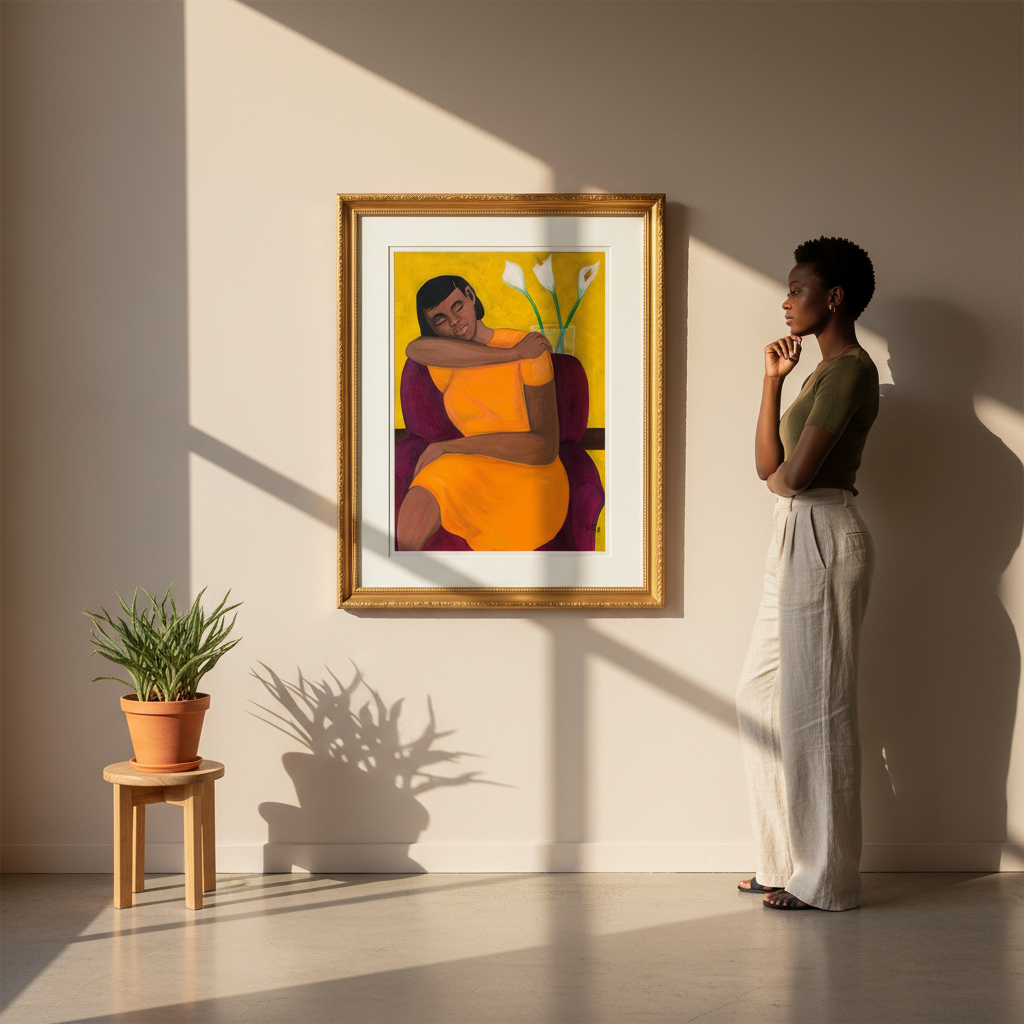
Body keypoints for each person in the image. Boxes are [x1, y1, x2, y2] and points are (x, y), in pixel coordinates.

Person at [736, 237, 879, 911]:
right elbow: (767, 467)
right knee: (759, 698)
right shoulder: (816, 373)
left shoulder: (851, 370)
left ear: (834, 297)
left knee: (818, 711)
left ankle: (825, 878)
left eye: (797, 288)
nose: (786, 300)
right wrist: (772, 382)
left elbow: (793, 477)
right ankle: (781, 862)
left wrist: (782, 480)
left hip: (824, 533)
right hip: (793, 534)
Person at [397, 275, 569, 552]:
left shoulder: (530, 347)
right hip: (474, 466)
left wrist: (448, 448)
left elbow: (544, 447)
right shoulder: (448, 357)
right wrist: (510, 355)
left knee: (440, 467)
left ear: (470, 295)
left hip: (533, 476)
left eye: (457, 306)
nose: (453, 321)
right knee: (429, 484)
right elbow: (414, 348)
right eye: (439, 319)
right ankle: (399, 581)